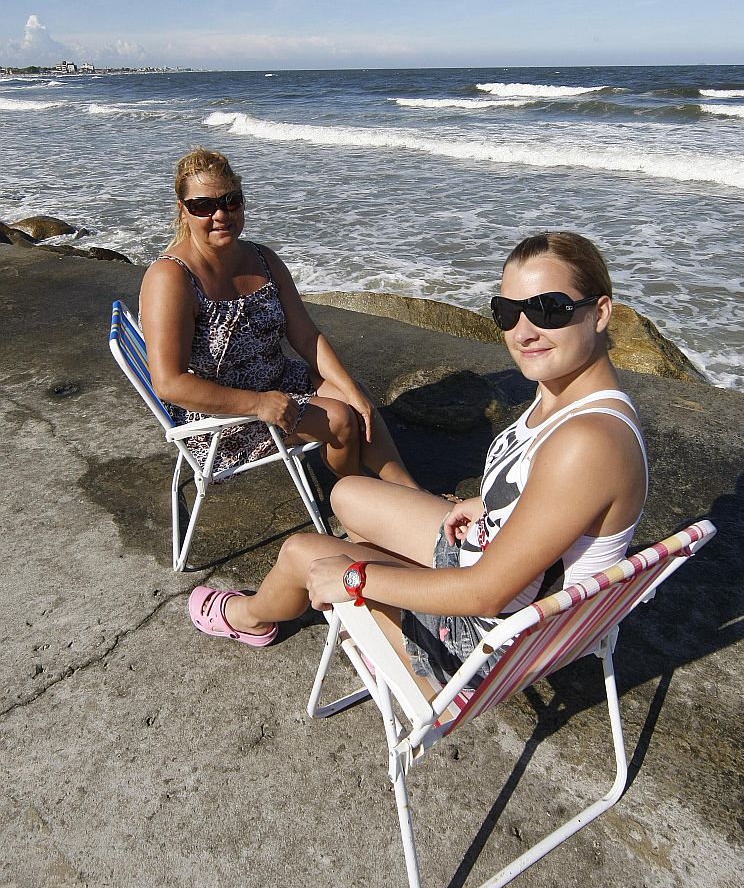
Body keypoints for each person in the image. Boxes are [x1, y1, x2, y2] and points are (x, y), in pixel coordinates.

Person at [188, 231, 649, 696]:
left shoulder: (588, 442)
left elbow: (485, 593)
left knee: (303, 556)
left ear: (601, 312)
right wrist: (491, 502)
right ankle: (380, 608)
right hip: (489, 561)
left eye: (549, 309)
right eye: (508, 313)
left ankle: (247, 618)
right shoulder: (567, 395)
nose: (524, 332)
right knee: (347, 494)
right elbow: (552, 494)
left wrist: (354, 576)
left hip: (481, 643)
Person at [139, 147, 418, 487]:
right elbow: (168, 383)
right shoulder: (171, 278)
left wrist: (351, 389)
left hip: (277, 381)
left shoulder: (263, 258)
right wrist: (257, 403)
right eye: (203, 206)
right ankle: (365, 508)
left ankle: (412, 493)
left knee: (354, 399)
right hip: (223, 415)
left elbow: (306, 336)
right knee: (342, 419)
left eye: (231, 201)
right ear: (183, 211)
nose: (220, 214)